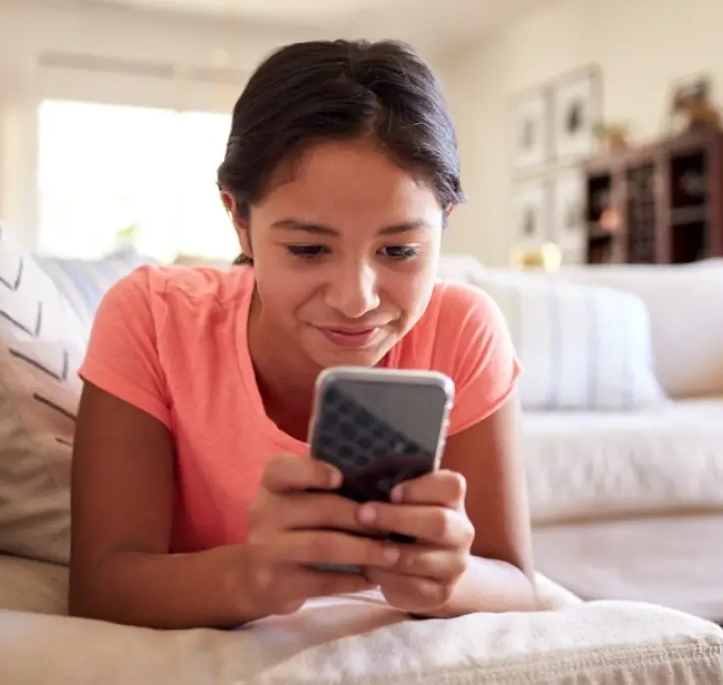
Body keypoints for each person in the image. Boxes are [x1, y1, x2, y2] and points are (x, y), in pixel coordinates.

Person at [68, 39, 538, 630]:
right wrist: (254, 576)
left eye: (399, 250)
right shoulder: (153, 319)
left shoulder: (465, 328)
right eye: (309, 249)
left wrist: (449, 577)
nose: (355, 299)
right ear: (239, 219)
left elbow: (518, 584)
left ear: (444, 223)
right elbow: (100, 587)